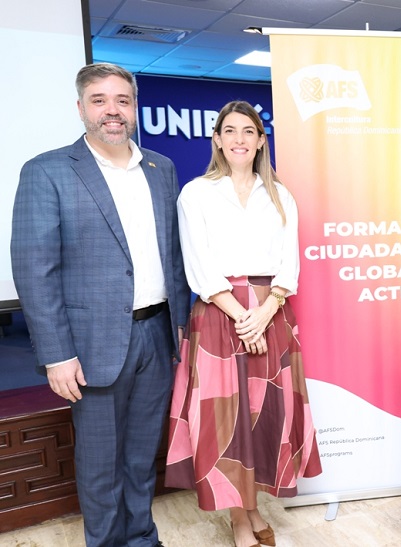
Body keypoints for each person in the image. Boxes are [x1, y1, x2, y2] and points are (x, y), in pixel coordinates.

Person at [10, 63, 189, 547]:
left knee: (141, 456)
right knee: (100, 462)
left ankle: (142, 537)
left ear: (135, 107)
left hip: (157, 334)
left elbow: (172, 255)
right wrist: (56, 354)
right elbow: (35, 271)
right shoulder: (46, 171)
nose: (112, 110)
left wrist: (180, 326)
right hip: (90, 347)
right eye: (99, 100)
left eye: (122, 100)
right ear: (80, 108)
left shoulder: (160, 168)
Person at [164, 100, 322, 547]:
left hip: (271, 311)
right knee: (226, 419)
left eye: (248, 131)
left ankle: (251, 506)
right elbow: (198, 265)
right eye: (230, 131)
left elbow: (289, 263)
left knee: (262, 415)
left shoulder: (280, 195)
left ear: (260, 140)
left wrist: (266, 312)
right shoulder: (196, 193)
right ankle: (238, 517)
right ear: (217, 139)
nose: (239, 139)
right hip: (220, 314)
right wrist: (243, 318)